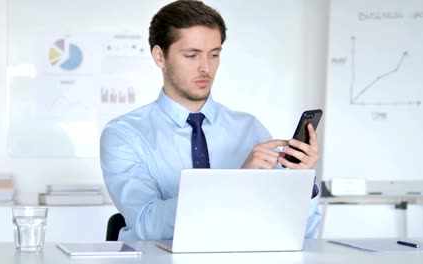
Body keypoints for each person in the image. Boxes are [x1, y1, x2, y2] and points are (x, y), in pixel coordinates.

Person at [100, 0, 321, 241]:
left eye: (214, 54)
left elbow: (301, 232)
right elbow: (146, 223)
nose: (206, 68)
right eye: (192, 55)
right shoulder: (124, 134)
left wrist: (302, 183)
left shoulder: (250, 129)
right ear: (160, 56)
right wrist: (237, 182)